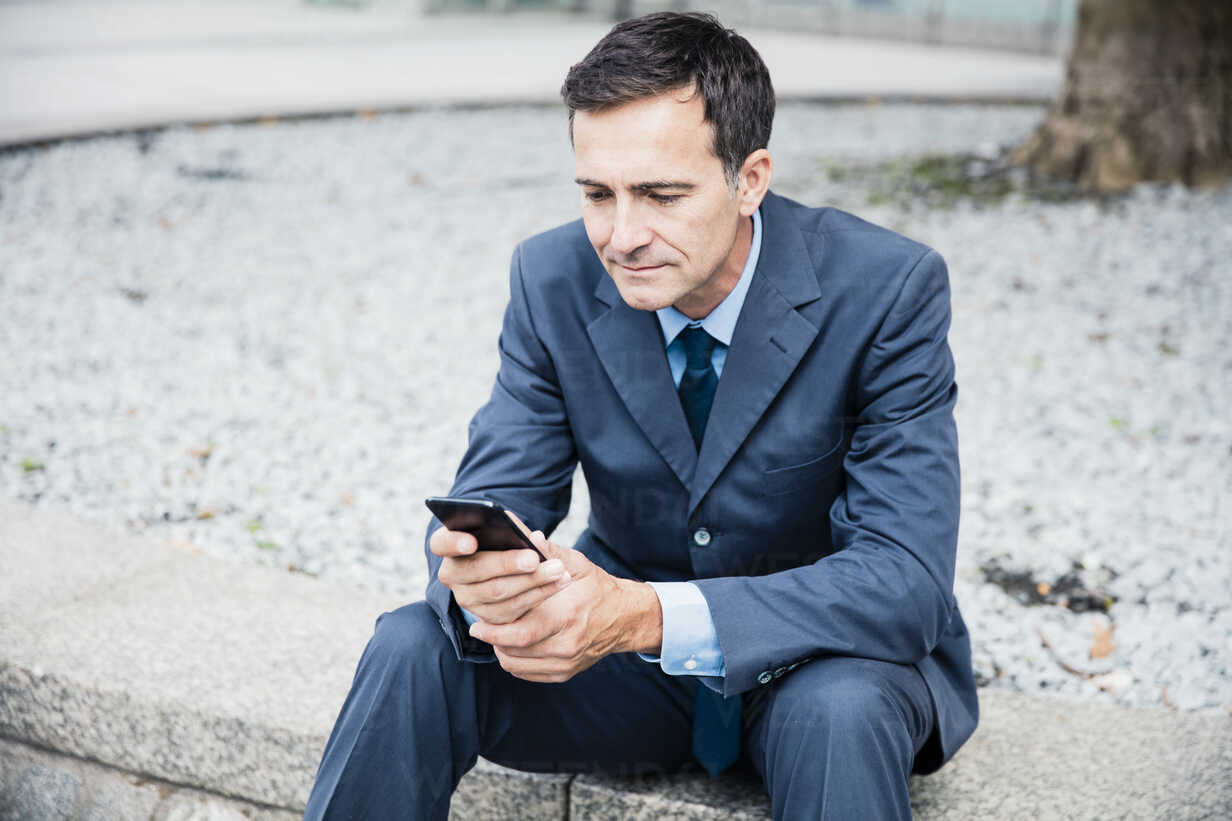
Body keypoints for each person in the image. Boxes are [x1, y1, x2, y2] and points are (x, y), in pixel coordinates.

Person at [304, 11, 977, 820]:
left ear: (750, 178)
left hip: (819, 663)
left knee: (841, 712)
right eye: (598, 194)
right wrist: (487, 573)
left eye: (660, 194)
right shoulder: (550, 277)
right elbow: (500, 488)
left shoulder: (887, 290)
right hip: (627, 676)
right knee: (412, 642)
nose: (622, 236)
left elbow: (904, 581)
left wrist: (643, 613)